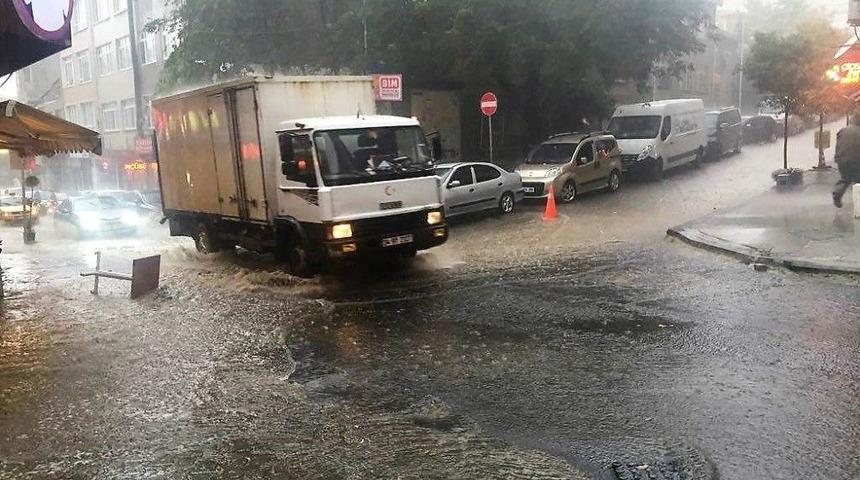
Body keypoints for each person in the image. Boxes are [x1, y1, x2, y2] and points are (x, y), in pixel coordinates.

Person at [832, 114, 860, 208]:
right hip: (856, 160)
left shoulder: (843, 130)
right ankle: (858, 202)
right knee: (858, 181)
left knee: (845, 178)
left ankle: (837, 193)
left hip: (841, 159)